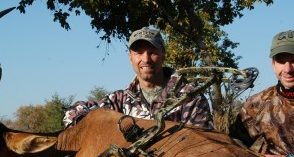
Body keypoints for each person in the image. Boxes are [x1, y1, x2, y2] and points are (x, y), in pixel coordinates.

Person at [62, 27, 213, 129]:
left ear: (163, 55)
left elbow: (200, 146)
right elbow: (73, 111)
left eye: (152, 52)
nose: (145, 59)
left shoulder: (190, 97)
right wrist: (84, 122)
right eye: (139, 53)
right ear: (130, 57)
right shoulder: (119, 100)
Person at [229, 30, 294, 157]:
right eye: (281, 61)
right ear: (273, 64)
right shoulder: (258, 103)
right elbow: (234, 145)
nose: (288, 69)